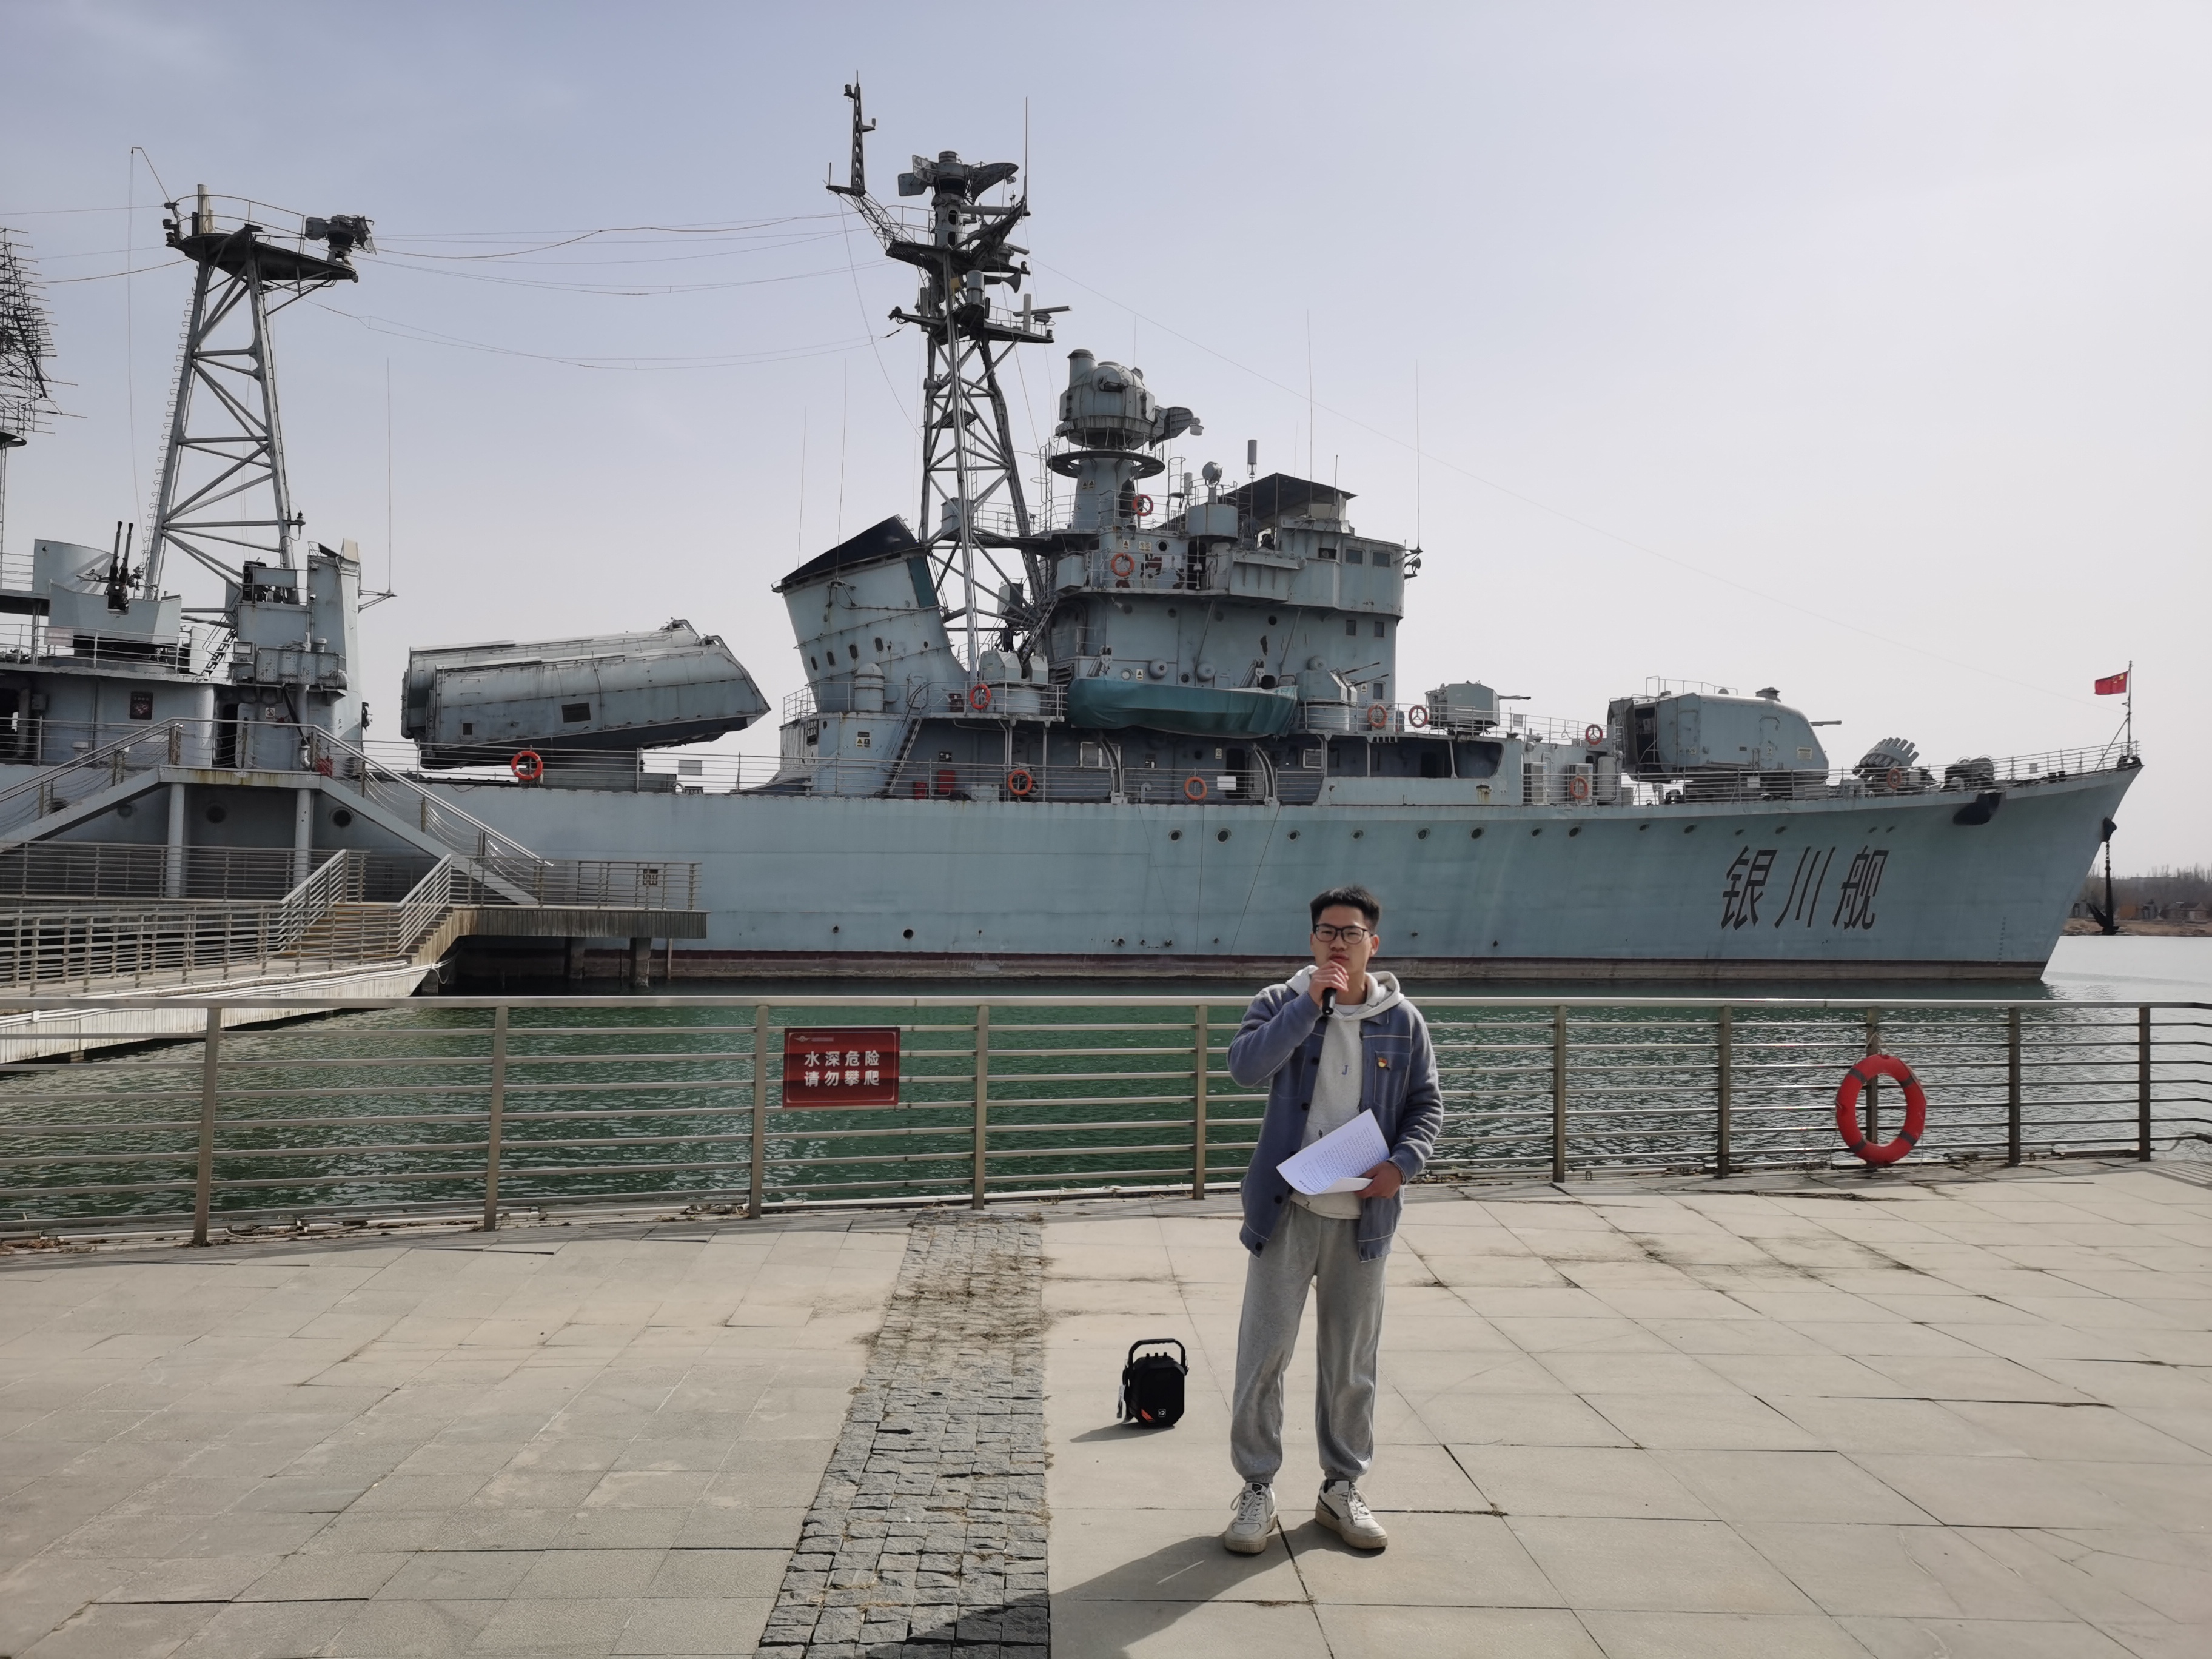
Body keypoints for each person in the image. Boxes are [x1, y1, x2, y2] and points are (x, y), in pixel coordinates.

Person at [1219, 883, 1441, 1555]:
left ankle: (1341, 1486)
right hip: (1286, 1209)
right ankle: (1257, 1488)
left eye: (1350, 933)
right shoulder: (1279, 1002)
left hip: (1363, 1216)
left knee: (1351, 1363)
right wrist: (1306, 1006)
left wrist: (1403, 1164)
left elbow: (1426, 1104)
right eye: (1326, 932)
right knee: (1263, 1355)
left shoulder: (1403, 1021)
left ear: (1374, 942)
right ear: (1312, 940)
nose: (1337, 943)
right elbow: (1244, 1069)